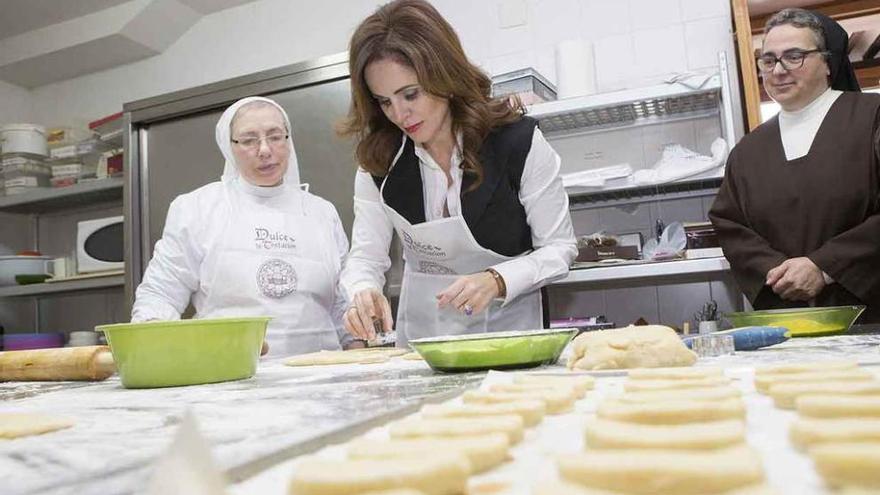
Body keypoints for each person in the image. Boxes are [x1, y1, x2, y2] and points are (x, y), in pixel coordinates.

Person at [337, 0, 578, 346]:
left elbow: (559, 248)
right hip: (423, 344)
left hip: (509, 335)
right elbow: (366, 256)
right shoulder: (379, 163)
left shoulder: (517, 143)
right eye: (384, 101)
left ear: (444, 76)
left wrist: (497, 278)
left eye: (410, 94)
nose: (400, 114)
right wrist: (362, 290)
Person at [132, 96, 353, 356]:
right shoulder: (197, 208)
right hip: (231, 376)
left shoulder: (322, 213)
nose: (264, 150)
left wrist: (356, 347)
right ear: (229, 147)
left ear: (288, 140)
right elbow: (161, 294)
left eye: (275, 136)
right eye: (249, 140)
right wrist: (156, 338)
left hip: (322, 380)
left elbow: (342, 303)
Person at [709, 8, 879, 322]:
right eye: (769, 60)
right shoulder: (748, 150)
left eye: (795, 56)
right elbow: (730, 224)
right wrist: (777, 273)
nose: (778, 70)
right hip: (788, 323)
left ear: (828, 62)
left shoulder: (872, 116)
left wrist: (824, 267)